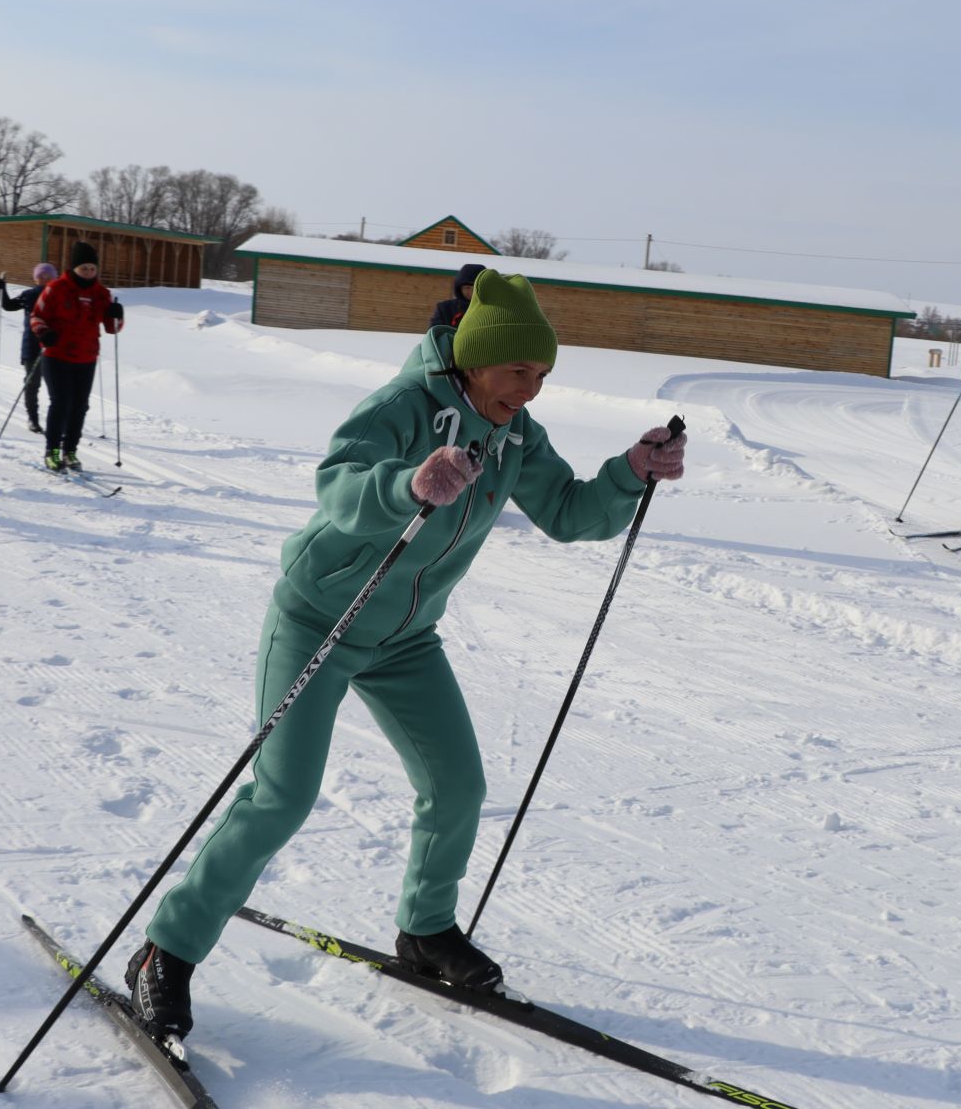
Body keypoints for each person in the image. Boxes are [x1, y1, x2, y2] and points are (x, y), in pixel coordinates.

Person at [126, 269, 688, 1045]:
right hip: (322, 616)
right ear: (473, 361)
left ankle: (425, 932)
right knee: (282, 797)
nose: (529, 390)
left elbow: (568, 512)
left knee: (457, 784)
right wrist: (407, 484)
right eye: (517, 371)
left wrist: (631, 472)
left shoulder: (515, 435)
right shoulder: (403, 407)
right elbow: (338, 486)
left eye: (542, 375)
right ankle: (167, 953)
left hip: (404, 636)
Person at [29, 242, 123, 471]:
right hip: (57, 354)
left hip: (86, 357)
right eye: (84, 269)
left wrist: (117, 315)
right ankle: (52, 451)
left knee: (80, 406)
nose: (89, 273)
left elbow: (112, 328)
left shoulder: (102, 294)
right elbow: (36, 316)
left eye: (92, 269)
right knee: (61, 402)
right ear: (74, 268)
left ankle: (70, 450)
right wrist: (44, 332)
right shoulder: (56, 288)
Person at [0, 262, 58, 432]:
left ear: (54, 278)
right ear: (35, 278)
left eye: (48, 277)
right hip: (32, 346)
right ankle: (33, 419)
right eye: (41, 277)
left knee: (58, 387)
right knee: (32, 384)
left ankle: (61, 421)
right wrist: (1, 289)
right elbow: (8, 306)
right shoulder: (29, 295)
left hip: (55, 347)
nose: (44, 280)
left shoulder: (60, 295)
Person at [428, 263, 487, 329]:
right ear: (459, 288)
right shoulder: (445, 310)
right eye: (467, 288)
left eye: (476, 288)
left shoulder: (492, 311)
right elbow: (435, 333)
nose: (471, 292)